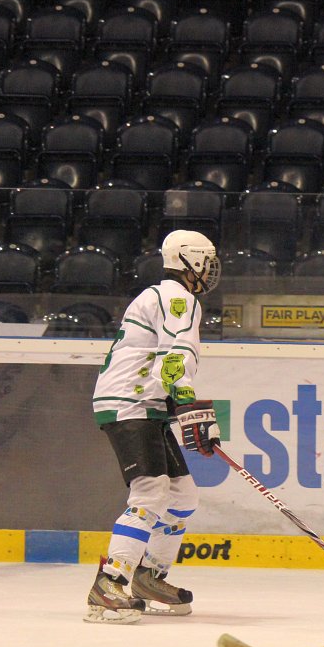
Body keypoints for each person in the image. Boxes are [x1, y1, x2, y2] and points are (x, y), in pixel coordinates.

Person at [85, 230, 222, 624]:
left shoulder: (161, 295)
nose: (211, 270)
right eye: (207, 261)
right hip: (131, 403)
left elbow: (162, 358)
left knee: (183, 497)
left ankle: (148, 577)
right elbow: (175, 354)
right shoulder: (179, 298)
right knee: (150, 492)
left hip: (145, 403)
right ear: (192, 260)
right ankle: (110, 584)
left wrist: (179, 403)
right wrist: (186, 400)